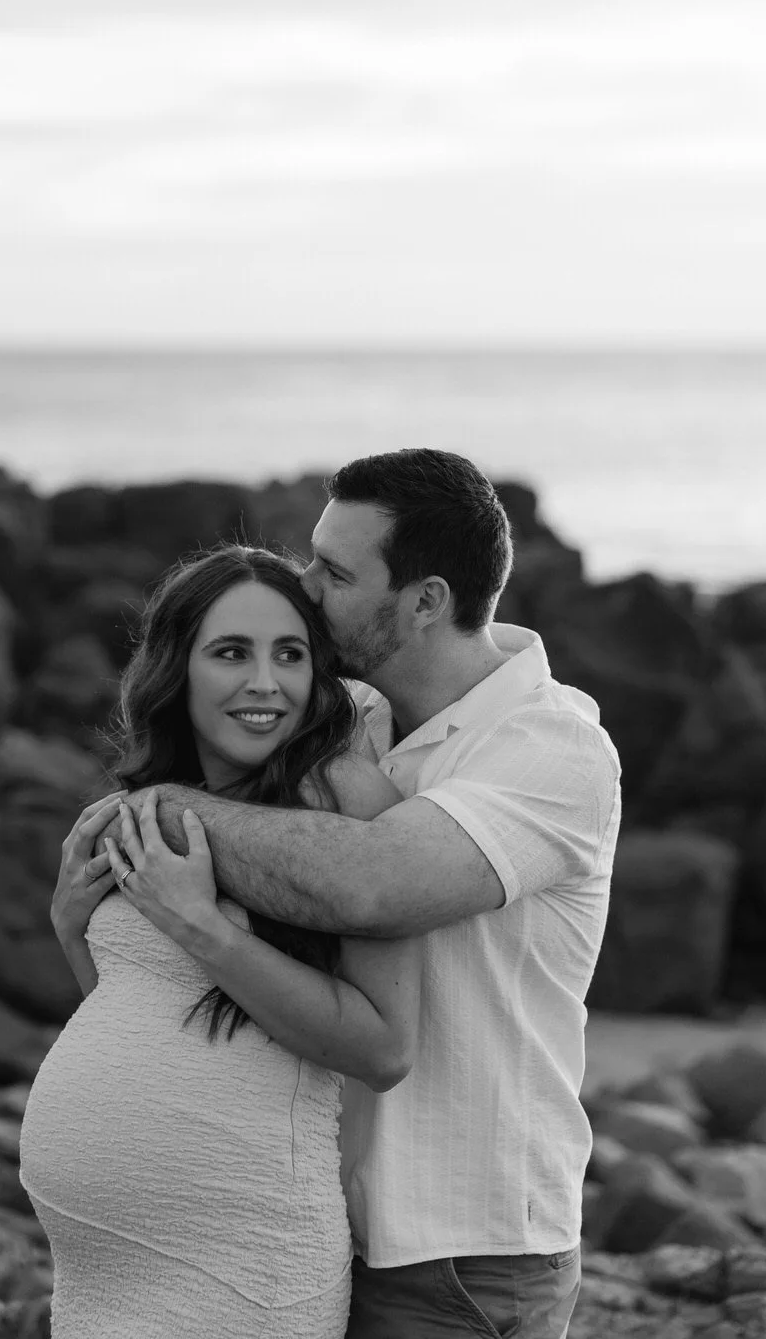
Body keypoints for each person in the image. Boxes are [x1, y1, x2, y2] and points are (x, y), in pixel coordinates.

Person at [128, 448, 623, 1339]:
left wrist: (160, 808)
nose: (305, 587)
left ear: (425, 601)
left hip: (461, 1253)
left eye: (336, 571)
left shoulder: (551, 751)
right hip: (313, 1228)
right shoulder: (348, 720)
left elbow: (369, 887)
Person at [18, 546, 423, 1339]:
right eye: (231, 653)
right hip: (102, 1277)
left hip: (244, 1263)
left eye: (291, 654)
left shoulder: (347, 801)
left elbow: (382, 1048)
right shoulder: (150, 802)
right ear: (178, 667)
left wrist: (201, 928)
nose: (265, 683)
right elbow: (139, 1006)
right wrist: (71, 926)